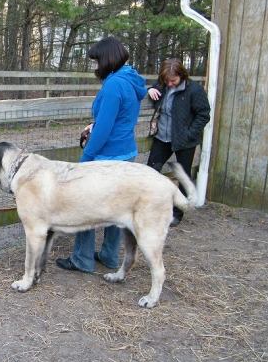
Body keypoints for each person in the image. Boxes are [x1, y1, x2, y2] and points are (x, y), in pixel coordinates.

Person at [56, 36, 147, 274]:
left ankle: (82, 259)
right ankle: (109, 254)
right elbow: (115, 119)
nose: (95, 67)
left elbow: (105, 131)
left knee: (85, 207)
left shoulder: (114, 85)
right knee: (117, 209)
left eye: (97, 62)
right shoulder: (130, 80)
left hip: (107, 159)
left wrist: (85, 161)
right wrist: (93, 124)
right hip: (125, 154)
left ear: (107, 59)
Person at [146, 58, 210, 226]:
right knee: (151, 171)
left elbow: (203, 114)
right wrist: (151, 89)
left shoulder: (194, 91)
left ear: (182, 75)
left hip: (185, 141)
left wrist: (189, 134)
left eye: (173, 80)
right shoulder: (162, 85)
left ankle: (177, 213)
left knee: (182, 175)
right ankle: (150, 207)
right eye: (167, 81)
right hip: (162, 137)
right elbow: (155, 88)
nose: (170, 84)